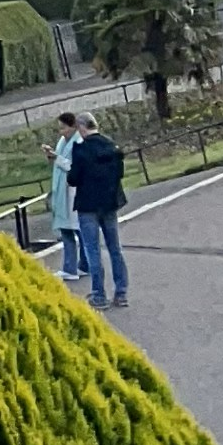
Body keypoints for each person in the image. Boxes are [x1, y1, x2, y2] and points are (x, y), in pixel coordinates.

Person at [67, 115, 131, 308]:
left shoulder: (81, 150)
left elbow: (73, 178)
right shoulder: (112, 147)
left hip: (88, 206)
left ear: (81, 127)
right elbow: (119, 174)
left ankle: (99, 295)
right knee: (114, 248)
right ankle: (121, 293)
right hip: (110, 203)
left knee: (93, 250)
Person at [46, 113, 91, 292]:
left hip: (72, 191)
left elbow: (72, 166)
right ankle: (82, 265)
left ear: (73, 126)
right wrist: (52, 156)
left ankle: (71, 268)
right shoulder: (63, 142)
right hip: (62, 190)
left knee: (72, 230)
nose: (61, 131)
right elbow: (60, 161)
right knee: (73, 229)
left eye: (64, 128)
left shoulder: (78, 142)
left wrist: (57, 158)